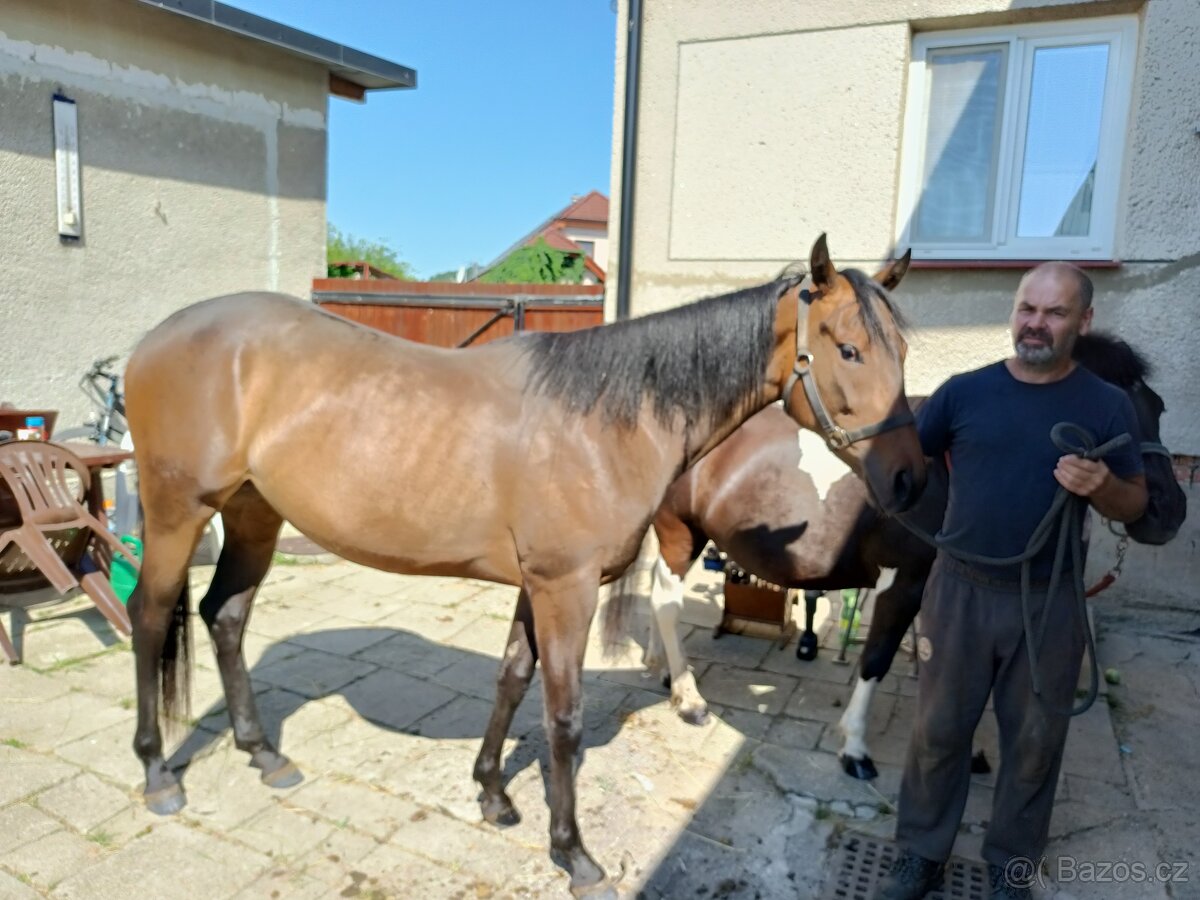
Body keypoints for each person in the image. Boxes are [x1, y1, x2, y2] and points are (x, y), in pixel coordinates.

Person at [875, 262, 1148, 900]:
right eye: (1028, 308)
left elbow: (1135, 504)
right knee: (938, 733)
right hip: (959, 593)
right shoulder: (964, 392)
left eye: (1055, 313)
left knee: (1034, 744)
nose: (1036, 323)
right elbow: (906, 470)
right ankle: (920, 854)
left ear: (1084, 322)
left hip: (1048, 603)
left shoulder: (1106, 406)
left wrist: (1104, 487)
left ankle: (1012, 867)